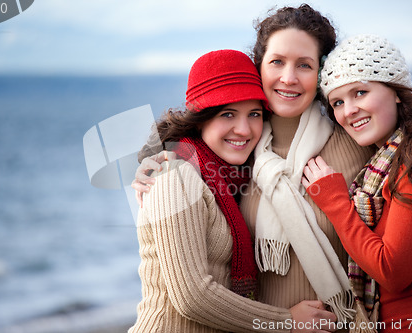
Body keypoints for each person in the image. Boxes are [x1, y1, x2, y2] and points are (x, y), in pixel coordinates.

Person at [133, 4, 375, 331]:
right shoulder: (234, 160)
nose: (288, 77)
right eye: (277, 62)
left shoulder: (353, 144)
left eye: (304, 64)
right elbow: (191, 294)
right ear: (260, 67)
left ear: (321, 73)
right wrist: (155, 160)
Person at [302, 34, 412, 332]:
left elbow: (393, 271)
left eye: (360, 92)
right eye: (337, 102)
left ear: (396, 91)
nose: (348, 111)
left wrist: (335, 202)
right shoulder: (384, 162)